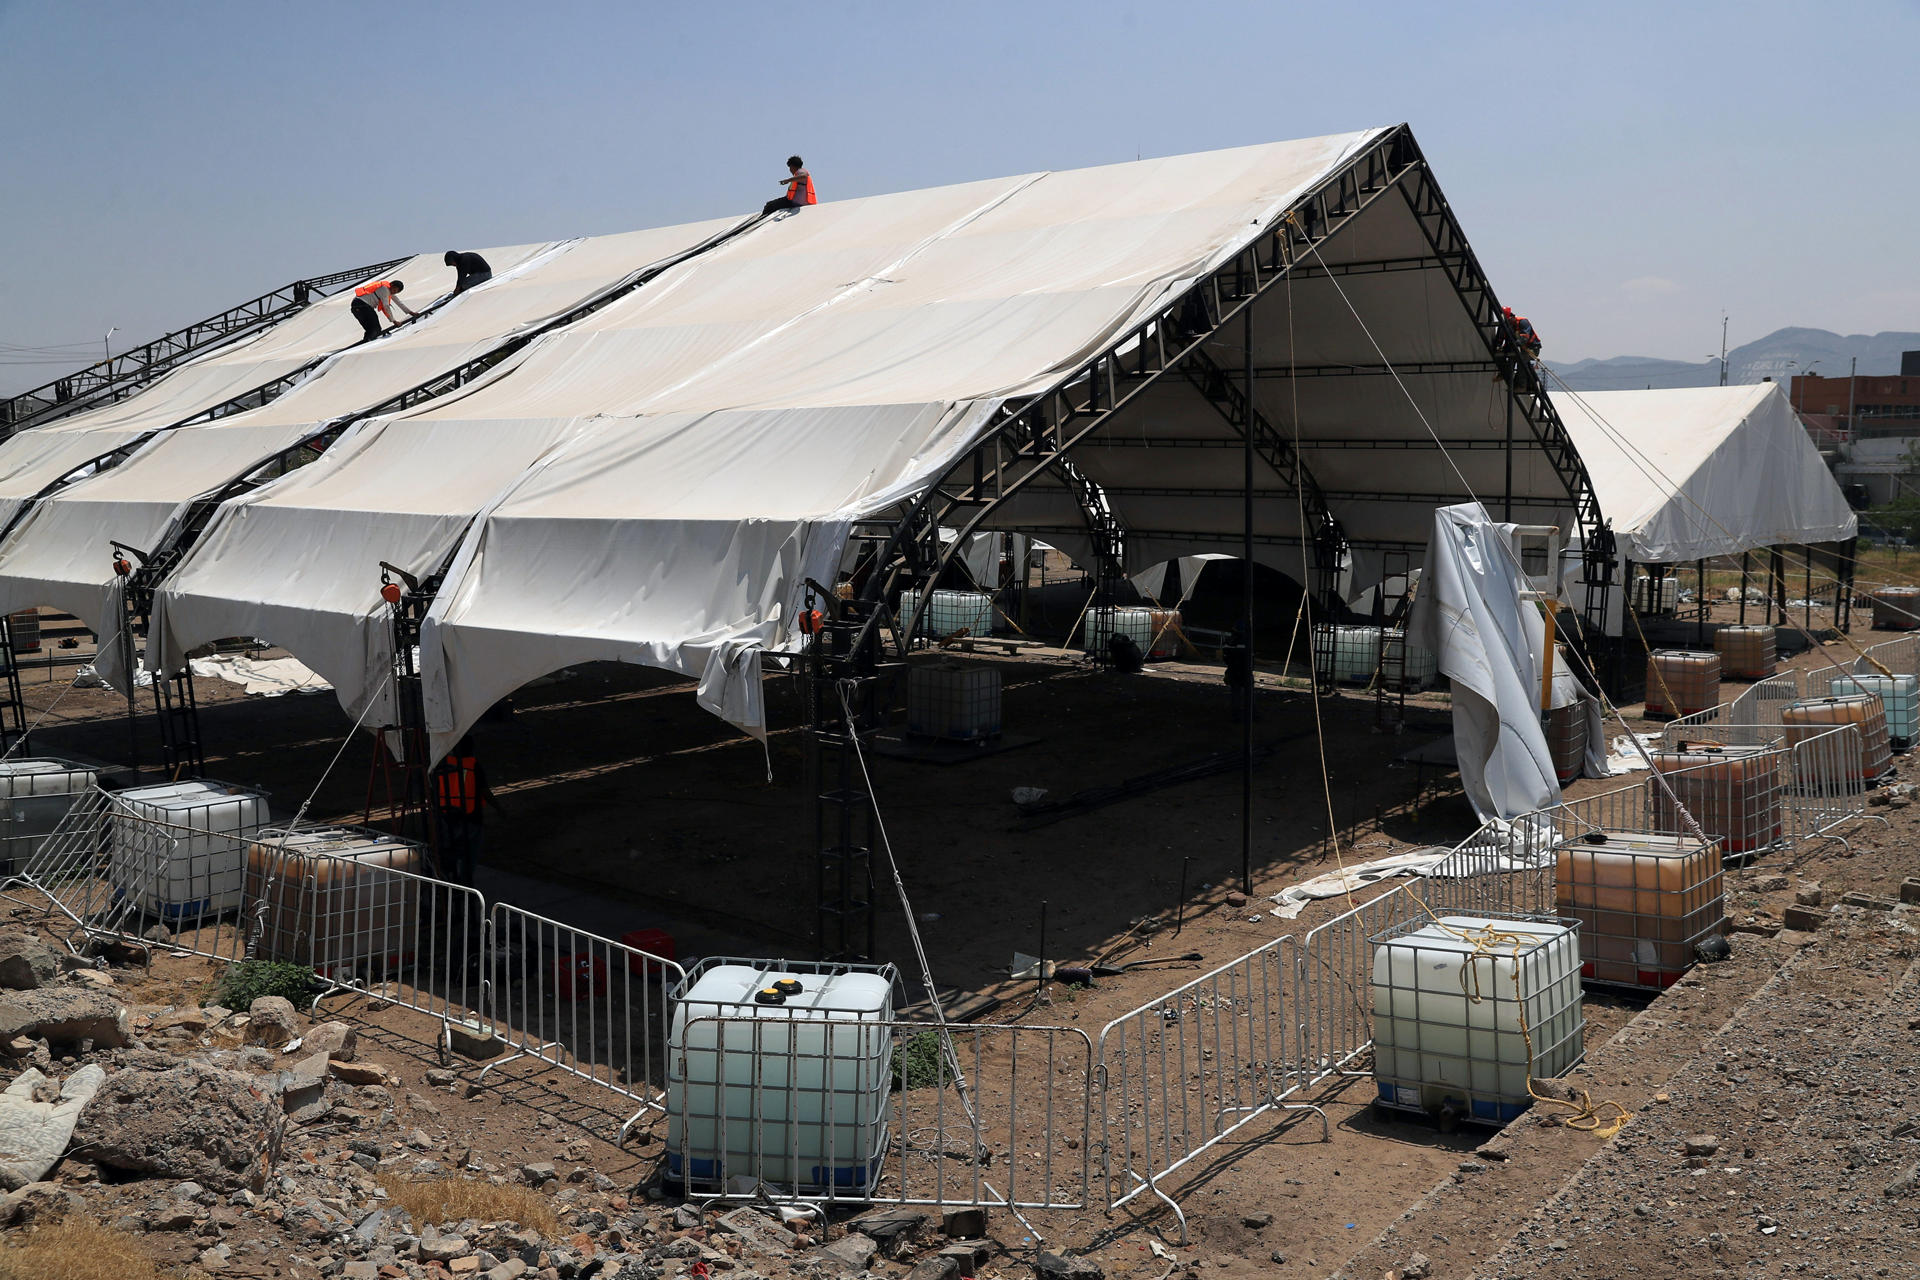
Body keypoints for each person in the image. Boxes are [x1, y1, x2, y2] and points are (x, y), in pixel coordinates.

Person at [433, 734, 500, 885]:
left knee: (449, 853)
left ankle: (449, 881)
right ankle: (465, 885)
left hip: (447, 817)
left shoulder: (442, 766)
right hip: (471, 819)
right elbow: (485, 792)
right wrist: (499, 809)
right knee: (468, 858)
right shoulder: (474, 766)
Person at [350, 278, 417, 342]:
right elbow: (386, 306)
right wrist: (394, 321)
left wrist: (411, 312)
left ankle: (366, 341)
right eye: (394, 290)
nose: (394, 292)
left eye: (396, 292)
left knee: (371, 329)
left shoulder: (388, 291)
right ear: (391, 285)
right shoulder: (385, 289)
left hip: (356, 307)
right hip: (362, 305)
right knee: (376, 329)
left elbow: (399, 302)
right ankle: (368, 341)